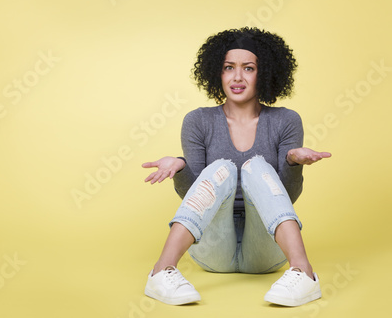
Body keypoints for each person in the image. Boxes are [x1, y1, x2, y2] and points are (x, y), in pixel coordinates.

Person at [141, 27, 331, 307]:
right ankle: (160, 272)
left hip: (266, 250)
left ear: (264, 73)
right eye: (229, 67)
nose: (237, 77)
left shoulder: (286, 121)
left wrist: (292, 163)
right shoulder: (198, 121)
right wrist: (180, 166)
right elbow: (193, 196)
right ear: (217, 73)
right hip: (212, 248)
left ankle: (304, 273)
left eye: (249, 68)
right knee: (223, 168)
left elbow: (285, 198)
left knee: (256, 167)